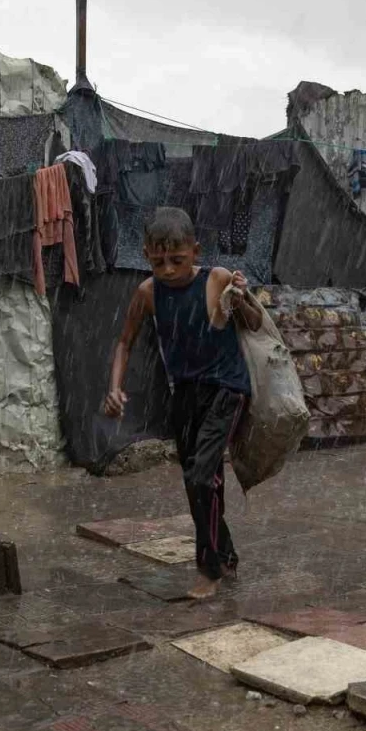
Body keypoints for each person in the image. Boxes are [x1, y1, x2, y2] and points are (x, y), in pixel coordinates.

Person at [103, 207, 262, 599]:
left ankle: (209, 570)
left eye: (177, 260)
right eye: (158, 262)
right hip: (185, 393)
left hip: (227, 388)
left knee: (200, 477)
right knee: (202, 481)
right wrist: (114, 387)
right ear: (146, 255)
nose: (168, 270)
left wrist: (240, 299)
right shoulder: (147, 292)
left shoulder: (217, 280)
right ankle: (225, 553)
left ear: (196, 250)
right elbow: (125, 342)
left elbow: (256, 322)